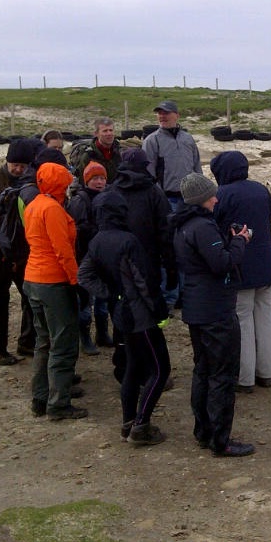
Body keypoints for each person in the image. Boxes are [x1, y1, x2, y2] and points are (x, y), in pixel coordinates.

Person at [169, 172, 254, 457]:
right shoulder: (202, 227)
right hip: (215, 310)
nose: (216, 199)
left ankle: (203, 431)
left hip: (196, 306)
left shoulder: (183, 225)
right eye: (211, 196)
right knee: (222, 375)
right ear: (200, 200)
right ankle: (221, 439)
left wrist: (228, 241)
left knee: (203, 371)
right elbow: (222, 263)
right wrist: (241, 240)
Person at [78, 191, 170, 446]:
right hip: (140, 314)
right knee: (160, 369)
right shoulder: (128, 241)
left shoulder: (97, 240)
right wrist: (159, 310)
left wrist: (110, 292)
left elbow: (84, 275)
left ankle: (128, 422)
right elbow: (143, 282)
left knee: (132, 367)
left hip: (120, 312)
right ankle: (140, 425)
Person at [23, 162, 86, 421]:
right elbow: (63, 251)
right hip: (53, 281)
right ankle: (58, 403)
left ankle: (41, 397)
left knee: (44, 341)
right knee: (63, 342)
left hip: (33, 278)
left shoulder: (34, 205)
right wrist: (76, 281)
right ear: (61, 185)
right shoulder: (53, 210)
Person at [210, 151, 271, 393]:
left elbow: (215, 228)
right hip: (266, 262)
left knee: (243, 319)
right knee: (266, 316)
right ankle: (267, 372)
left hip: (240, 265)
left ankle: (244, 377)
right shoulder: (261, 190)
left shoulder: (222, 194)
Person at [109, 148, 176, 384]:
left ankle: (123, 366)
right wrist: (172, 268)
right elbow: (166, 233)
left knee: (121, 315)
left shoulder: (113, 191)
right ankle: (151, 370)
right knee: (150, 316)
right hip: (146, 265)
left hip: (117, 267)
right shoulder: (153, 192)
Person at [0, 139, 38, 366]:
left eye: (23, 166)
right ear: (7, 161)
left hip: (24, 252)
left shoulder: (29, 182)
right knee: (0, 300)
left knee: (30, 298)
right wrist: (0, 239)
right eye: (15, 165)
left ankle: (27, 341)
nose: (19, 169)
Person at [143, 100, 201, 309]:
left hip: (188, 201)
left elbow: (196, 169)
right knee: (168, 250)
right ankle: (169, 295)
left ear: (176, 115)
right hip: (166, 201)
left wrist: (199, 198)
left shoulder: (188, 139)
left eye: (166, 113)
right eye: (159, 113)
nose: (162, 116)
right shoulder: (152, 141)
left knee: (187, 248)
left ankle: (184, 294)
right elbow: (147, 175)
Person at [67, 162, 111, 356]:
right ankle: (84, 337)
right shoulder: (80, 200)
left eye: (102, 178)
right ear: (87, 180)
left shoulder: (109, 196)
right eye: (95, 178)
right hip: (85, 258)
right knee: (86, 302)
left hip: (104, 258)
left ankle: (102, 333)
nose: (99, 182)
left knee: (104, 299)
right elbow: (78, 230)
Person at [75, 117, 122, 184]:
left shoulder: (119, 151)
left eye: (111, 130)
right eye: (105, 131)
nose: (109, 133)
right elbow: (83, 182)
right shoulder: (89, 156)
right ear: (96, 134)